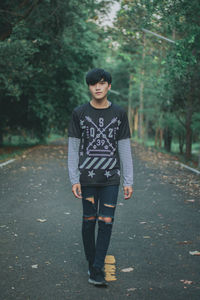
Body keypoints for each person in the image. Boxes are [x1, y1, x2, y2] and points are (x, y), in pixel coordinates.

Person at [68, 68, 133, 286]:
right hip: (87, 177)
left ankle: (97, 268)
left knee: (106, 222)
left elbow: (124, 148)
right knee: (89, 222)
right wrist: (74, 178)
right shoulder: (79, 113)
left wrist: (128, 180)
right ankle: (92, 261)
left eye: (102, 83)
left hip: (110, 179)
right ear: (89, 87)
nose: (97, 87)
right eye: (93, 84)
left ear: (109, 86)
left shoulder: (119, 114)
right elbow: (73, 148)